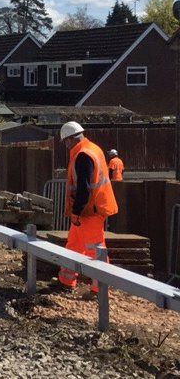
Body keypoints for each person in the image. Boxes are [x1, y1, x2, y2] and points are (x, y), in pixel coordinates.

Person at [57, 121, 119, 292]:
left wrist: (76, 211)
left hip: (89, 211)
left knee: (95, 250)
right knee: (74, 245)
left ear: (70, 139)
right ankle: (66, 282)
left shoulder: (83, 155)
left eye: (65, 142)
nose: (65, 145)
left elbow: (84, 188)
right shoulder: (92, 149)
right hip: (91, 208)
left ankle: (101, 288)